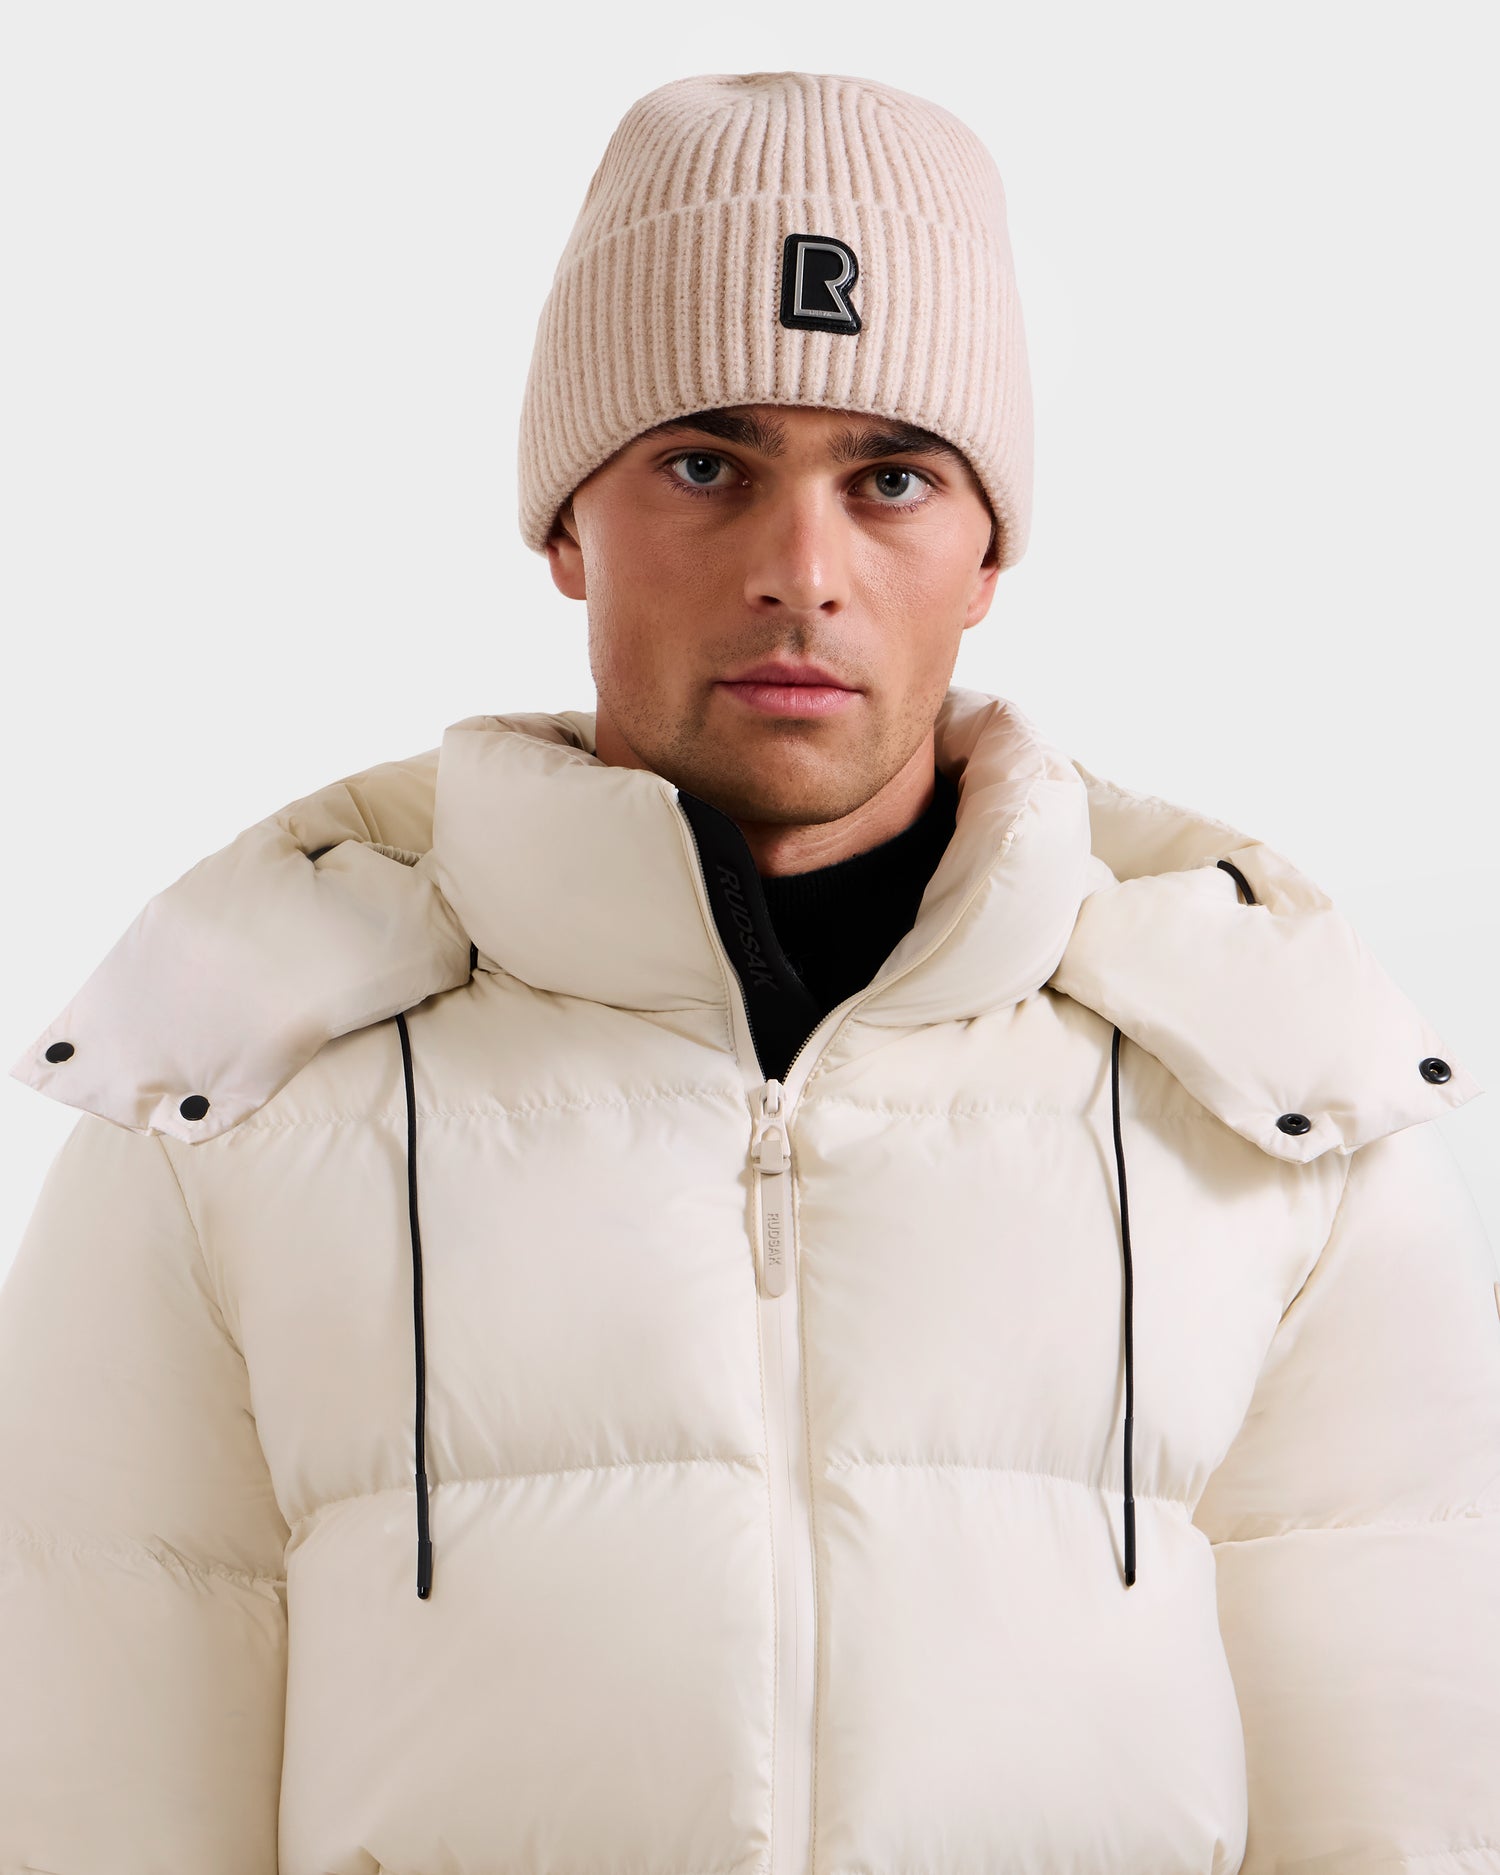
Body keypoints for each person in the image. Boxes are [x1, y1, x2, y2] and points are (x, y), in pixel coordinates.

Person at [2, 68, 1496, 1875]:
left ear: (987, 549)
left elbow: (1404, 1812)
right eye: (706, 466)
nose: (804, 573)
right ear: (568, 525)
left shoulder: (1268, 1087)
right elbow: (93, 1790)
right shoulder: (226, 1083)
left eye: (891, 479)